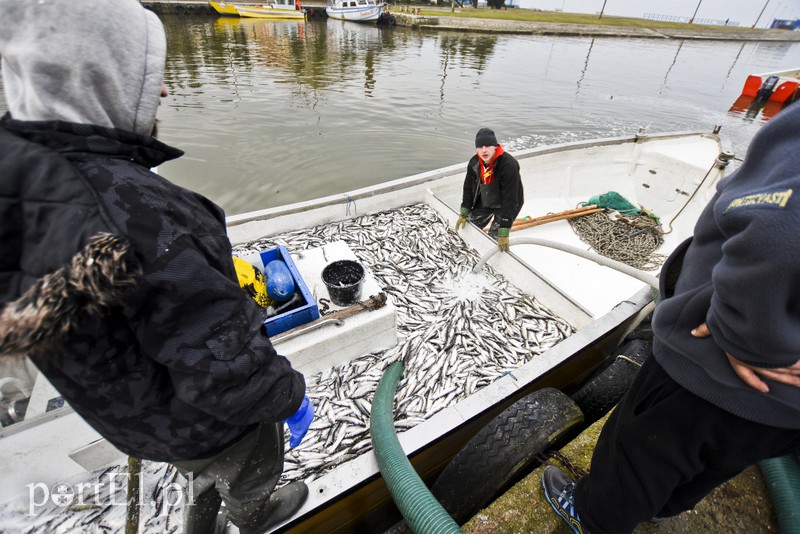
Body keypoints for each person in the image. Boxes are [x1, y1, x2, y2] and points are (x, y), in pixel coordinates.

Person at [0, 1, 313, 533]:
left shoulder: (22, 185)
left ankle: (200, 517)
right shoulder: (134, 206)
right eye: (145, 76)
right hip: (204, 421)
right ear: (96, 77)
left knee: (199, 469)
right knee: (246, 463)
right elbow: (219, 363)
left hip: (134, 419)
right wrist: (288, 396)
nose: (163, 90)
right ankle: (255, 512)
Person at [542, 101, 800, 534]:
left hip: (714, 369)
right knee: (718, 459)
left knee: (639, 450)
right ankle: (662, 506)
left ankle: (592, 518)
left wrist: (745, 339)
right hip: (786, 407)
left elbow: (780, 232)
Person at [455, 128, 524, 252]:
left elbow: (511, 199)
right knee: (469, 227)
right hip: (486, 198)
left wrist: (504, 228)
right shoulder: (474, 162)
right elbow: (468, 188)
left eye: (487, 146)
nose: (484, 150)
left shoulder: (509, 165)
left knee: (493, 240)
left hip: (506, 204)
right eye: (480, 147)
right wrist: (465, 210)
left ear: (495, 146)